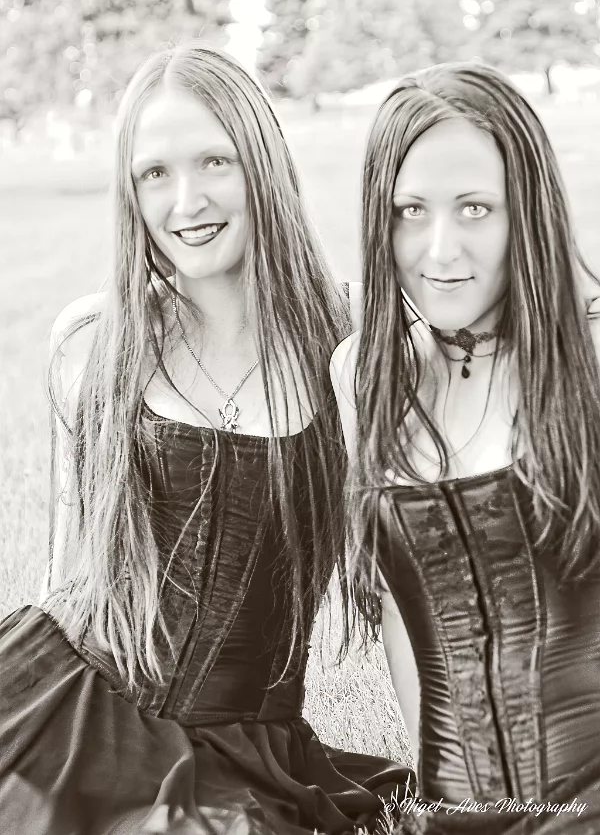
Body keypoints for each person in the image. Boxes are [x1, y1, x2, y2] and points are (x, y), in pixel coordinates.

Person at [0, 43, 413, 835]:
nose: (186, 201)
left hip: (247, 745)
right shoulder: (97, 342)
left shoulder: (355, 343)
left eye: (214, 161)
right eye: (155, 172)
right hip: (79, 706)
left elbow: (407, 596)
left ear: (263, 160)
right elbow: (67, 574)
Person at [330, 62, 600, 834]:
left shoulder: (590, 357)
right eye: (410, 210)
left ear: (527, 211)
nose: (439, 251)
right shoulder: (365, 377)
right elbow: (398, 611)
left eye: (475, 208)